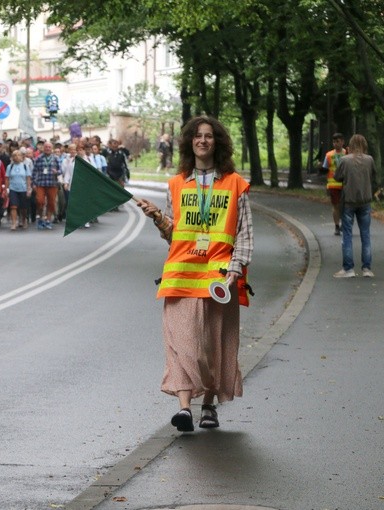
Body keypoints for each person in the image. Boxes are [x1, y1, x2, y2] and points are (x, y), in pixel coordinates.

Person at [136, 115, 254, 432]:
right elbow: (175, 233)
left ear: (218, 142)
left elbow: (244, 234)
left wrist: (233, 271)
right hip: (180, 279)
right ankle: (185, 409)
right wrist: (158, 217)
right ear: (190, 142)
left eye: (209, 136)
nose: (202, 141)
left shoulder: (235, 184)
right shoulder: (176, 184)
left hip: (218, 280)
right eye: (197, 136)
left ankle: (209, 405)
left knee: (211, 346)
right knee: (182, 343)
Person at [333, 134, 378, 278]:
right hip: (365, 201)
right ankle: (367, 269)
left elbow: (337, 177)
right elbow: (373, 175)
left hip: (349, 202)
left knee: (347, 235)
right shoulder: (369, 160)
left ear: (350, 146)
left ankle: (348, 269)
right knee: (365, 235)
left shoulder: (344, 160)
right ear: (364, 145)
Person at [31, 141, 62, 230]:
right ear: (43, 148)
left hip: (52, 183)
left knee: (51, 203)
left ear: (51, 148)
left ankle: (48, 220)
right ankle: (41, 218)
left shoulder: (56, 158)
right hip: (41, 183)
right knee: (40, 201)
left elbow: (61, 170)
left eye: (49, 147)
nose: (47, 148)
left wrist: (57, 172)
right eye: (46, 147)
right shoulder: (38, 158)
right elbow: (34, 171)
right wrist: (33, 183)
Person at [321, 133, 347, 235]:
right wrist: (320, 167)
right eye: (334, 142)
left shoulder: (347, 153)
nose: (336, 144)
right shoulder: (329, 155)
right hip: (333, 185)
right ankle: (337, 226)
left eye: (338, 141)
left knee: (345, 206)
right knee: (336, 206)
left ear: (342, 142)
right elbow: (324, 169)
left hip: (345, 184)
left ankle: (345, 225)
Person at [5, 149, 32, 230]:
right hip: (13, 189)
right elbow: (7, 178)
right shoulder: (10, 166)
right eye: (14, 155)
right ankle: (14, 223)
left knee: (23, 207)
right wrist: (6, 189)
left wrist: (28, 189)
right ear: (12, 157)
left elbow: (28, 178)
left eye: (18, 155)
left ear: (21, 157)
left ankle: (23, 221)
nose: (16, 157)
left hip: (23, 189)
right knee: (13, 206)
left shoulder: (25, 166)